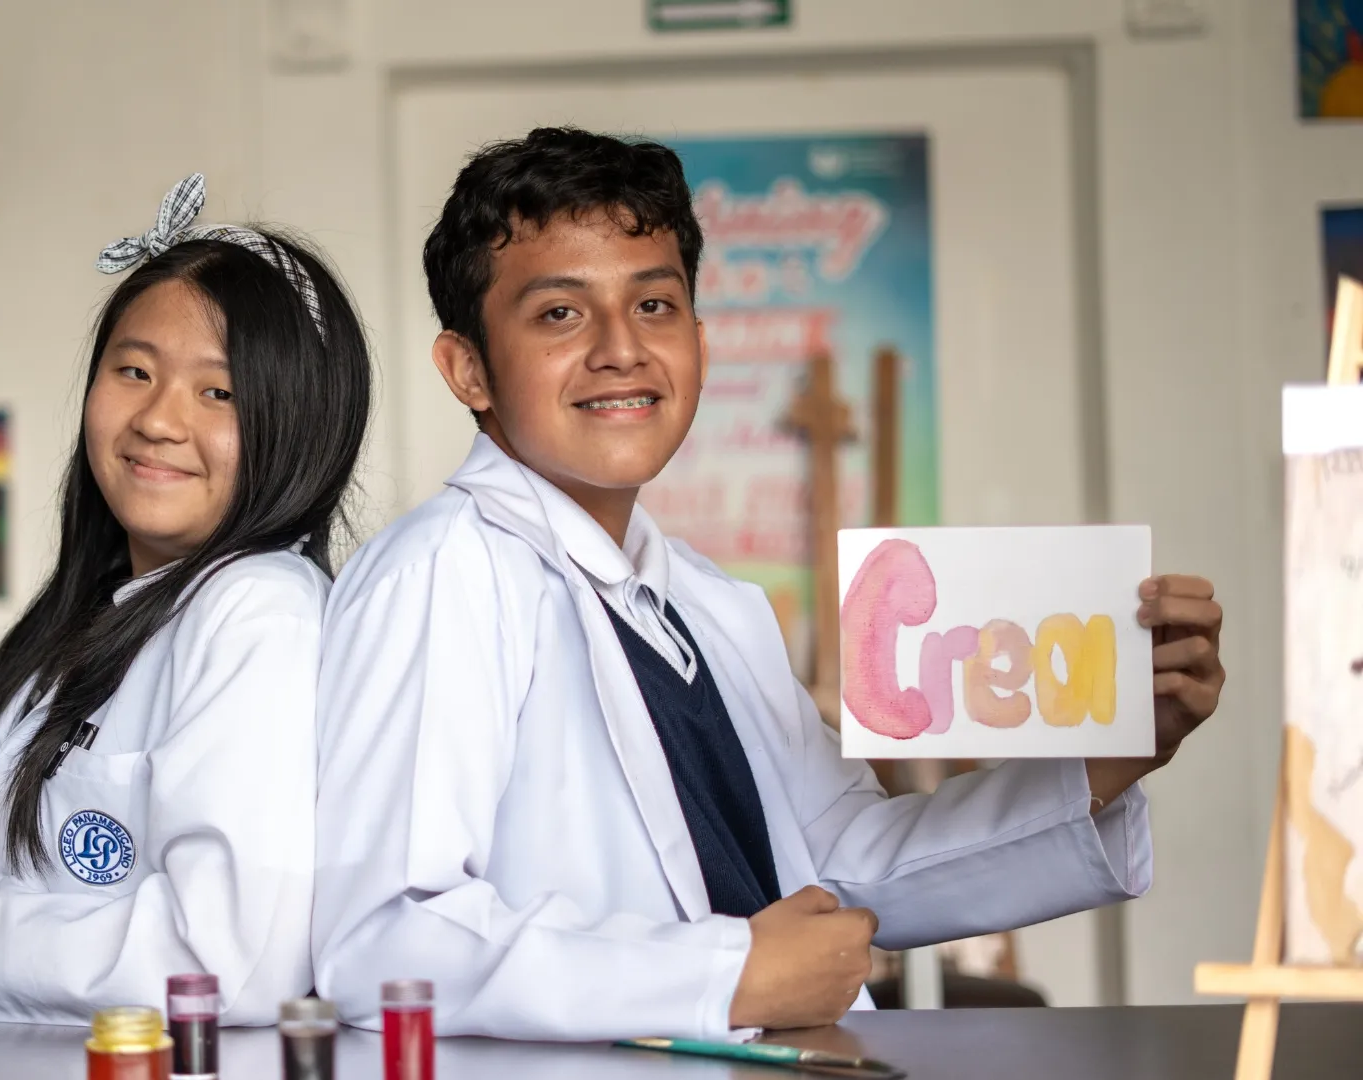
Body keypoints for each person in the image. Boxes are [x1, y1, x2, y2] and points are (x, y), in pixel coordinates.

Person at [309, 128, 1227, 1041]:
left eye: (655, 305)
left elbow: (846, 863)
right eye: (559, 314)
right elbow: (387, 939)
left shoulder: (712, 606)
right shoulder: (441, 574)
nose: (621, 349)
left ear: (699, 343)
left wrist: (1118, 751)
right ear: (468, 368)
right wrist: (728, 974)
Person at [0, 174, 372, 1025]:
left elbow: (225, 967)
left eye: (220, 392)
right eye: (134, 370)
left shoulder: (260, 612)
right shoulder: (98, 616)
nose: (158, 419)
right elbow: (11, 865)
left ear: (302, 424)